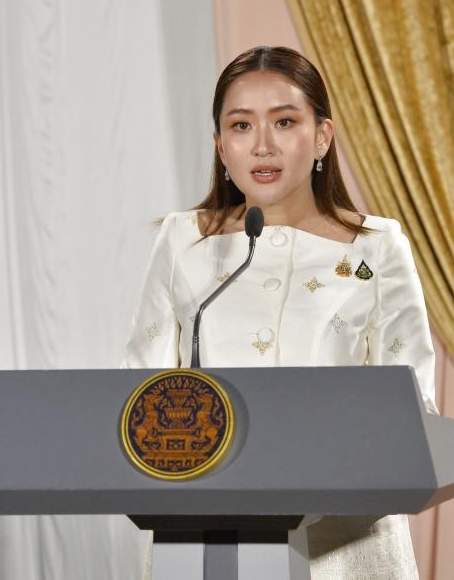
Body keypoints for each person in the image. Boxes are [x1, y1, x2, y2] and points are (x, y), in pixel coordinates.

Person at [123, 46, 436, 579]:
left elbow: (414, 406)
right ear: (221, 146)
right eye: (241, 126)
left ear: (322, 137)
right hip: (205, 535)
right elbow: (138, 394)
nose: (262, 145)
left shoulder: (377, 247)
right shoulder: (183, 241)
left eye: (285, 122)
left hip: (343, 542)